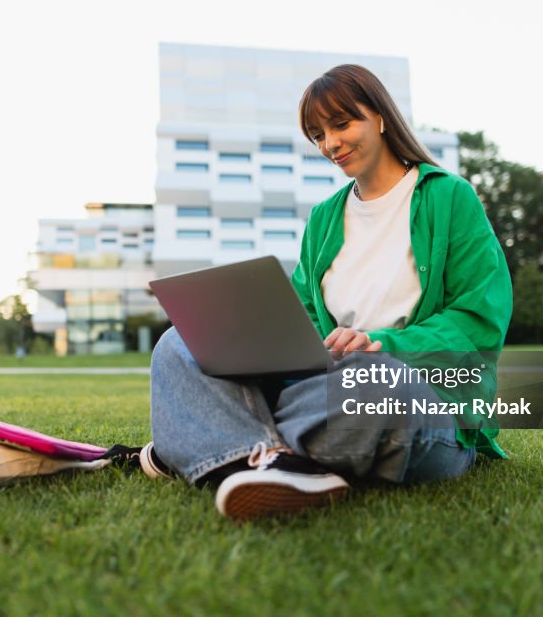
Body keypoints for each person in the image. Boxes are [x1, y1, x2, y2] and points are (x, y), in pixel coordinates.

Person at [143, 64, 513, 520]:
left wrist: (380, 346)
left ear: (380, 116)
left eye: (341, 124)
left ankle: (223, 442)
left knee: (378, 387)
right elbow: (303, 317)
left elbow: (479, 321)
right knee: (181, 342)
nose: (330, 144)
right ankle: (275, 457)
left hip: (409, 400)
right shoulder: (323, 219)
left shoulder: (449, 197)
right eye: (318, 134)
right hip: (318, 389)